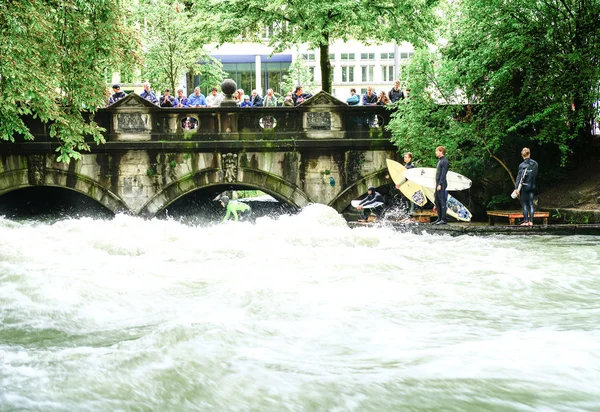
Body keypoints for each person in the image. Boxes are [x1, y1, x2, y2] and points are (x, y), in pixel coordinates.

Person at [514, 147, 539, 226]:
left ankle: (525, 221)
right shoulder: (535, 164)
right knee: (531, 204)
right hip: (532, 186)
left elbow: (519, 178)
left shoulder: (522, 165)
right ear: (529, 154)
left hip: (525, 187)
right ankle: (531, 222)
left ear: (522, 155)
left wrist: (516, 189)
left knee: (524, 204)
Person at [432, 146, 449, 225]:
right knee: (437, 201)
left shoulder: (444, 161)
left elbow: (443, 174)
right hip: (437, 184)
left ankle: (443, 219)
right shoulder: (439, 161)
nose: (436, 153)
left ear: (441, 151)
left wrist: (440, 184)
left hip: (441, 184)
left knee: (442, 201)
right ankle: (439, 218)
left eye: (437, 151)